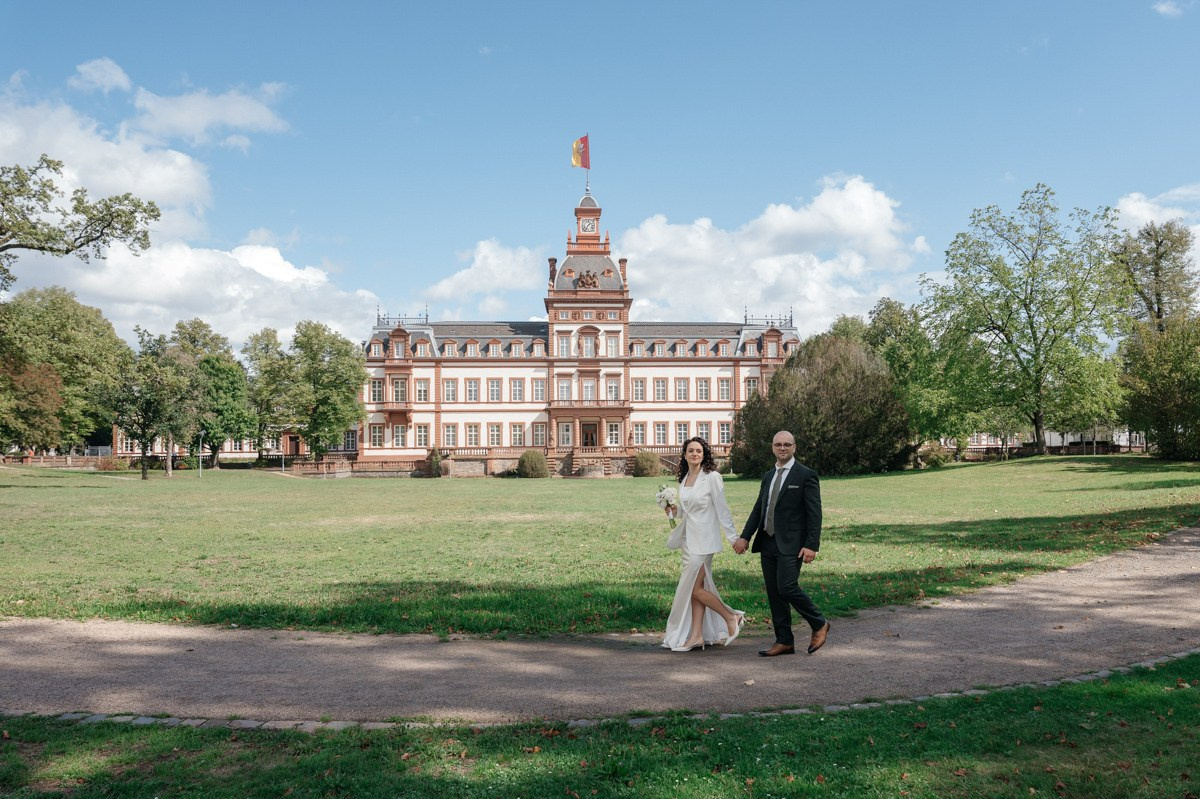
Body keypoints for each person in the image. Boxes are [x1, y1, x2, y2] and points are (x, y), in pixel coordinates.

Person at [732, 430, 830, 657]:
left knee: (787, 587)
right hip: (767, 541)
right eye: (778, 444)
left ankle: (819, 622)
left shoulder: (805, 475)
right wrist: (745, 536)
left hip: (792, 543)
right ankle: (784, 641)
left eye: (787, 444)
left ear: (794, 447)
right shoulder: (768, 476)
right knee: (775, 592)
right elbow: (759, 508)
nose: (782, 448)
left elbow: (814, 513)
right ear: (772, 448)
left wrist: (811, 545)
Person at [661, 437, 745, 652]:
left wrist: (733, 538)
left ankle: (731, 616)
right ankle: (697, 635)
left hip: (705, 540)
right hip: (687, 541)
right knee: (695, 587)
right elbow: (687, 511)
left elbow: (722, 509)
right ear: (684, 454)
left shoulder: (712, 477)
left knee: (693, 587)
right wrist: (673, 511)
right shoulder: (684, 479)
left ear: (704, 454)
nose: (695, 454)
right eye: (691, 450)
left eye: (698, 451)